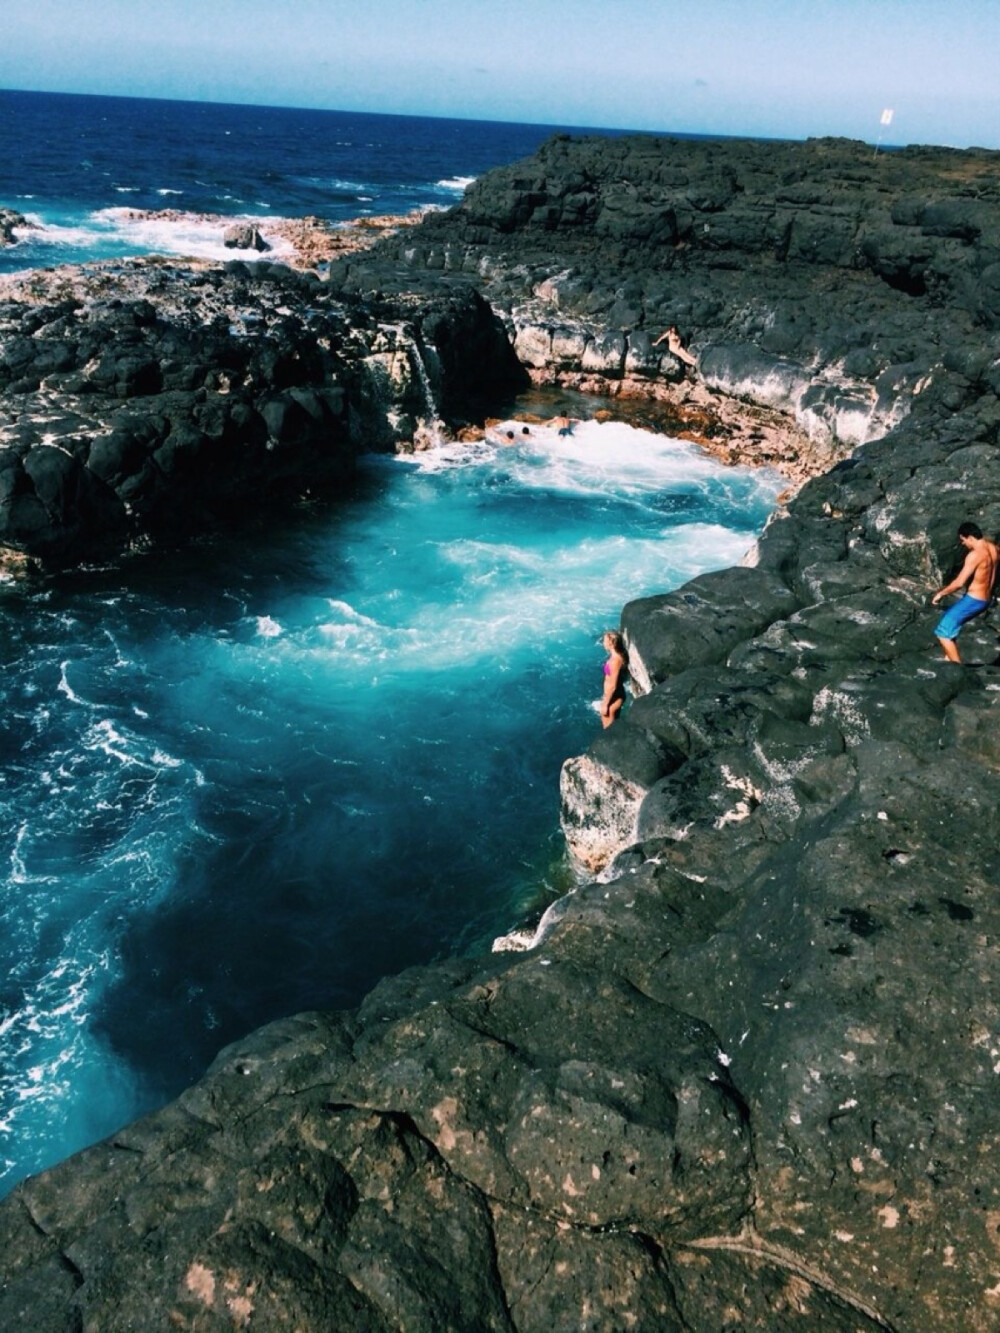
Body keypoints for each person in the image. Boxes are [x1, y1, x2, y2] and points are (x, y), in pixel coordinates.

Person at [931, 522, 998, 663]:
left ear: (970, 537)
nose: (963, 544)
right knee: (951, 622)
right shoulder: (994, 549)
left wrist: (941, 594)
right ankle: (949, 657)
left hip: (974, 600)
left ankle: (958, 669)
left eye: (963, 540)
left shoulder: (975, 555)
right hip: (986, 599)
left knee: (942, 632)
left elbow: (959, 583)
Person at [599, 630, 629, 728]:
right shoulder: (616, 657)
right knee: (611, 727)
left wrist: (605, 704)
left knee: (608, 730)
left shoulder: (615, 661)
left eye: (605, 641)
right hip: (612, 696)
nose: (603, 643)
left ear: (611, 643)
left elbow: (613, 686)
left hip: (613, 697)